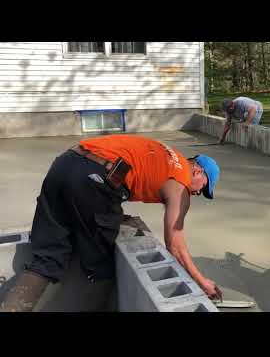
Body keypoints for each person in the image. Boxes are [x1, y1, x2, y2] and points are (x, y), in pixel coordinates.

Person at [0, 134, 222, 312]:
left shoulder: (165, 154)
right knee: (101, 268)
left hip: (65, 164)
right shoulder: (181, 179)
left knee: (47, 258)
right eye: (202, 188)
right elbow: (175, 245)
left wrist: (113, 214)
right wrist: (202, 281)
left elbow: (128, 171)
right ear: (197, 170)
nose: (196, 194)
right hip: (96, 180)